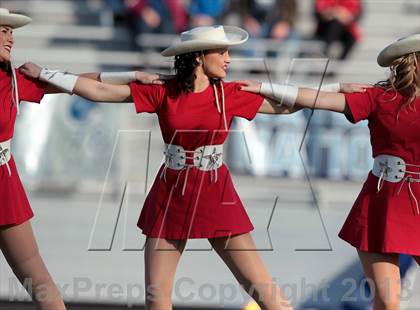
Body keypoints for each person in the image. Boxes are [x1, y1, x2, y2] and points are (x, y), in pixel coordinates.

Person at [22, 25, 367, 310]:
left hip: (216, 193)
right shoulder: (163, 90)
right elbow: (98, 90)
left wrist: (336, 89)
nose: (230, 59)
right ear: (200, 56)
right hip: (170, 193)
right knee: (157, 300)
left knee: (266, 293)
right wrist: (47, 74)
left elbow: (286, 106)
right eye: (223, 52)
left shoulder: (230, 92)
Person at [239, 33, 420, 310]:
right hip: (383, 202)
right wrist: (265, 85)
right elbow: (315, 99)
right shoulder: (378, 97)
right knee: (387, 303)